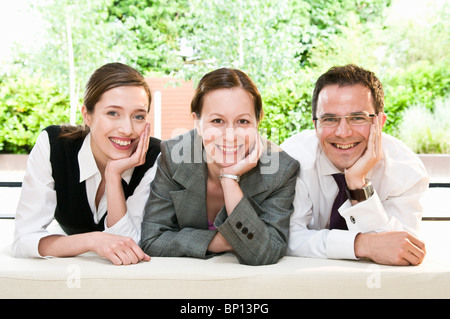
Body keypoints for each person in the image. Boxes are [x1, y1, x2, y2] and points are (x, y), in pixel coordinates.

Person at [140, 68, 299, 265]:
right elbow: (151, 240)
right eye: (217, 121)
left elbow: (266, 252)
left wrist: (229, 179)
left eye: (243, 121)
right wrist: (220, 242)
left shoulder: (281, 170)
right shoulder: (174, 157)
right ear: (197, 122)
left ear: (257, 122)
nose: (230, 135)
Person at [13, 62, 161, 265]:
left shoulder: (155, 157)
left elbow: (129, 244)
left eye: (138, 116)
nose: (127, 129)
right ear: (87, 115)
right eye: (113, 113)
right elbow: (24, 240)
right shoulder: (54, 145)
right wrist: (92, 240)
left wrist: (113, 176)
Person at [281, 64, 429, 266]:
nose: (343, 132)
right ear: (315, 126)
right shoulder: (292, 159)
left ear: (380, 122)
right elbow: (286, 237)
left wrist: (358, 184)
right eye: (330, 119)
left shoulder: (406, 171)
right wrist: (361, 244)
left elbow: (402, 250)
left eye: (358, 118)